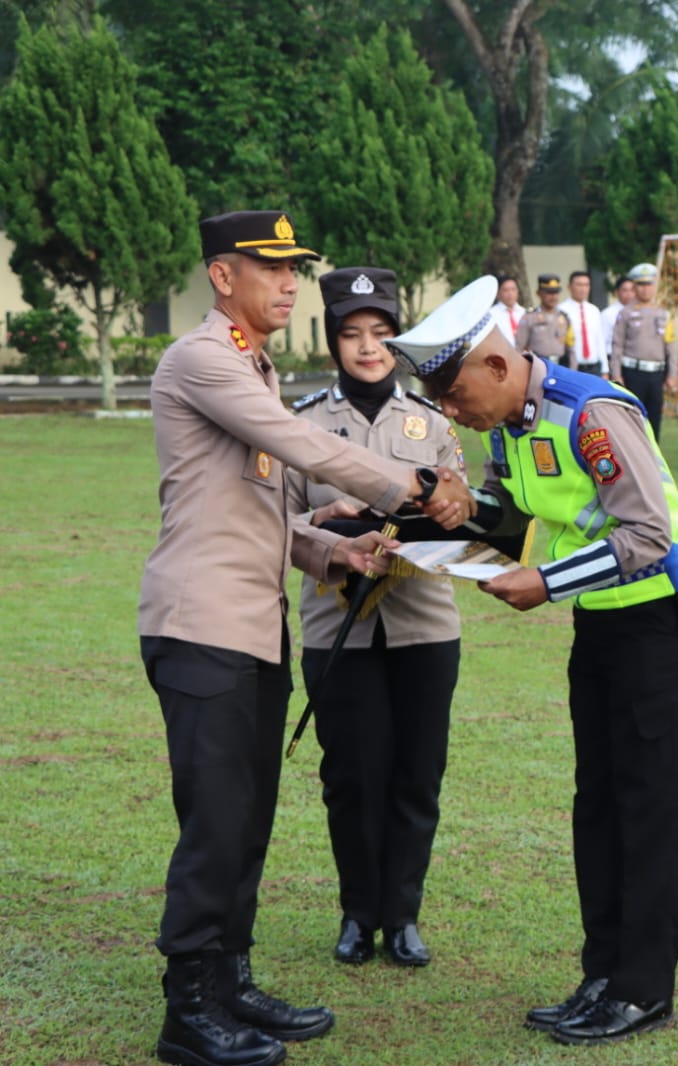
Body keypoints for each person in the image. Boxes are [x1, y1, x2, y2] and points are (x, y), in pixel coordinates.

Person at [139, 211, 474, 1066]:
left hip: (253, 628)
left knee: (246, 817)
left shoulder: (249, 364)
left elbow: (270, 524)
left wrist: (338, 549)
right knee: (216, 820)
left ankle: (230, 980)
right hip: (202, 624)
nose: (291, 283)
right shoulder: (205, 359)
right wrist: (417, 482)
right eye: (272, 268)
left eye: (296, 270)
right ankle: (189, 1009)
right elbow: (301, 446)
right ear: (223, 278)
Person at [386, 275, 678, 1048]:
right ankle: (602, 975)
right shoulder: (507, 425)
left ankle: (642, 990)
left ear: (497, 367)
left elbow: (644, 536)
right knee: (597, 808)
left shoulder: (591, 413)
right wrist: (465, 510)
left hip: (661, 624)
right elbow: (524, 514)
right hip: (603, 629)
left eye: (452, 389)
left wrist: (546, 581)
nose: (447, 409)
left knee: (647, 811)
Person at [286, 267, 465, 970]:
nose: (367, 347)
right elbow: (278, 521)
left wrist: (436, 523)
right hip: (338, 631)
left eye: (381, 333)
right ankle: (358, 913)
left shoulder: (435, 421)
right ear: (332, 341)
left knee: (416, 774)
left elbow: (465, 513)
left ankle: (404, 914)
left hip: (423, 624)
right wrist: (332, 531)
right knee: (353, 777)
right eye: (352, 334)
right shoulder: (298, 423)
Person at [610, 263, 678, 437]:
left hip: (656, 373)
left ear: (655, 287)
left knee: (654, 418)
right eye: (641, 284)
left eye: (649, 284)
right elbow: (617, 345)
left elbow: (670, 346)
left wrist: (672, 374)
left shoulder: (663, 314)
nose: (645, 289)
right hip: (633, 372)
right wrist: (616, 374)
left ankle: (653, 459)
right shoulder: (625, 313)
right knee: (632, 418)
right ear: (634, 287)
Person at [515, 274, 574, 368]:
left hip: (561, 366)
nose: (553, 296)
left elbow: (571, 349)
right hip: (538, 366)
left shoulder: (564, 317)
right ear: (539, 293)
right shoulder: (529, 317)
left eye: (556, 292)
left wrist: (573, 371)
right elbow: (519, 348)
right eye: (549, 293)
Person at [559, 270, 607, 376]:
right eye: (579, 285)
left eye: (586, 285)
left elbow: (599, 340)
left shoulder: (594, 310)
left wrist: (605, 369)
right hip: (571, 368)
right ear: (569, 287)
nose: (583, 289)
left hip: (594, 368)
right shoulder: (561, 310)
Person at [600, 276, 635, 364]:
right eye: (625, 290)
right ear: (617, 292)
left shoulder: (639, 312)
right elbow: (602, 343)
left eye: (632, 290)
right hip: (613, 359)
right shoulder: (608, 314)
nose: (629, 294)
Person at [490, 275, 528, 345]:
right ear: (498, 294)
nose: (510, 293)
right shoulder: (491, 315)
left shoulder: (524, 312)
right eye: (506, 290)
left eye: (513, 289)